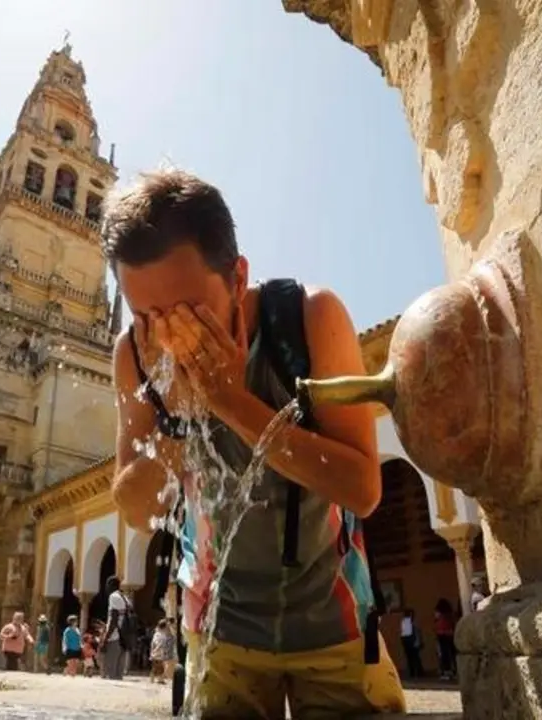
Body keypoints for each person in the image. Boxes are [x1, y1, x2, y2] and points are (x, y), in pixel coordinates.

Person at [105, 168, 406, 718]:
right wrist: (178, 419)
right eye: (147, 314)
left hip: (334, 624)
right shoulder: (135, 356)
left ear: (237, 278)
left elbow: (361, 489)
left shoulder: (310, 318)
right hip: (220, 634)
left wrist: (231, 402)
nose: (169, 332)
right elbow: (134, 507)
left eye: (190, 309)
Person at [99, 575, 131, 680]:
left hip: (115, 637)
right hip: (124, 637)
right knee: (119, 673)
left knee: (110, 670)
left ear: (111, 585)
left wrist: (106, 638)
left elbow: (113, 619)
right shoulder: (125, 597)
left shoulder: (113, 596)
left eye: (107, 585)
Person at [433, 599, 458, 681]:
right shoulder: (449, 613)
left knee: (443, 654)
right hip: (450, 633)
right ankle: (455, 671)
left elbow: (436, 619)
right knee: (452, 653)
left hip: (441, 634)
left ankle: (446, 672)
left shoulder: (439, 613)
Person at [148, 618, 176, 684]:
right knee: (157, 667)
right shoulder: (160, 634)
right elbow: (158, 643)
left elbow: (153, 643)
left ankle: (157, 679)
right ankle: (157, 679)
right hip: (158, 653)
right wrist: (155, 650)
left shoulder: (158, 633)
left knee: (159, 667)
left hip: (157, 653)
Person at [399, 608, 424, 678]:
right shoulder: (408, 623)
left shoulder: (405, 622)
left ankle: (415, 672)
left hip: (409, 642)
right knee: (413, 657)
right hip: (411, 641)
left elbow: (403, 634)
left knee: (412, 658)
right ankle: (416, 672)